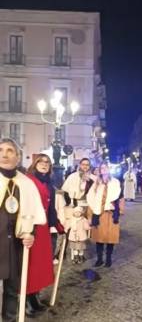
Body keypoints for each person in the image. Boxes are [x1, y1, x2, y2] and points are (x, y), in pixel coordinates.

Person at [0, 138, 46, 322]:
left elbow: (32, 214)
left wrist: (30, 235)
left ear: (18, 157)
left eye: (10, 150)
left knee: (12, 289)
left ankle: (9, 319)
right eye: (1, 150)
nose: (4, 154)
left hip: (15, 244)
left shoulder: (27, 184)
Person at [25, 154, 65, 314]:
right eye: (41, 161)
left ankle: (35, 297)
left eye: (47, 162)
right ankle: (27, 300)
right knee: (29, 265)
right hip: (30, 228)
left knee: (39, 266)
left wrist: (58, 225)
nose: (44, 164)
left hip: (43, 229)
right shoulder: (27, 181)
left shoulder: (49, 184)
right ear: (35, 164)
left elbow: (50, 209)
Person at [87, 163, 124, 267]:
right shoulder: (96, 184)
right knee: (99, 238)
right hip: (99, 213)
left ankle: (108, 258)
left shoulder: (115, 182)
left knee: (110, 238)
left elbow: (120, 196)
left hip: (111, 213)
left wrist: (120, 209)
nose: (103, 169)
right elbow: (91, 198)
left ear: (109, 169)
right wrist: (90, 214)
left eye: (105, 167)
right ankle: (99, 259)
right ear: (99, 170)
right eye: (101, 168)